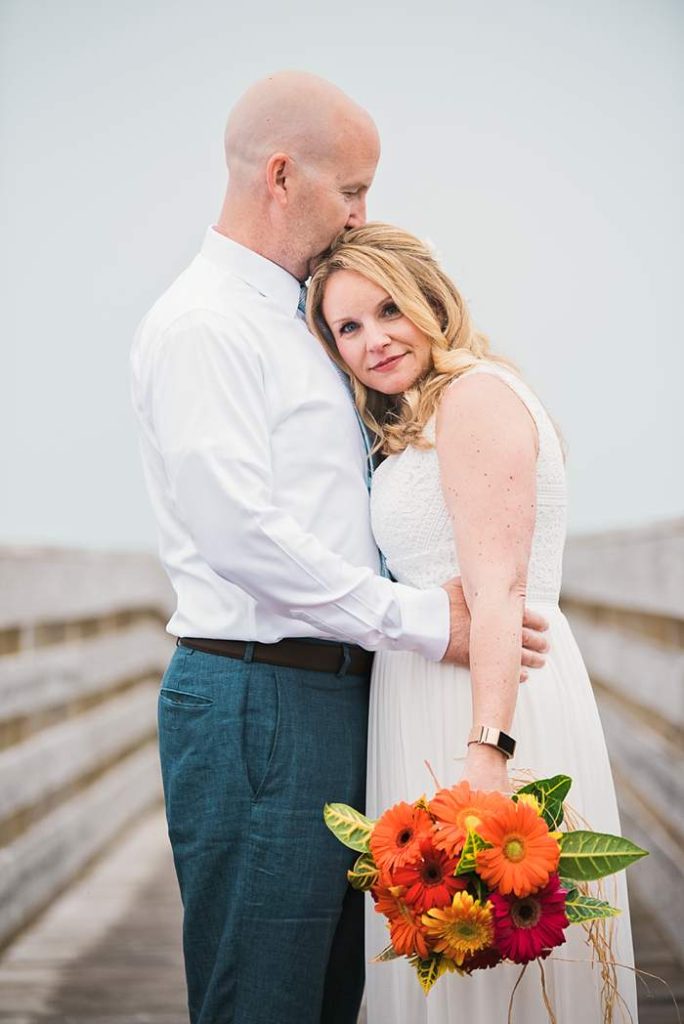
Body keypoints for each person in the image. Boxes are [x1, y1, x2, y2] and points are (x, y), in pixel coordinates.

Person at [130, 72, 548, 1024]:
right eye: (352, 188)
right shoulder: (208, 325)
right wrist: (415, 619)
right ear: (282, 175)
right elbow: (237, 533)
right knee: (262, 999)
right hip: (258, 697)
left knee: (329, 999)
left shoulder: (298, 318)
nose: (365, 211)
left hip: (332, 690)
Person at [308, 222, 638, 1023]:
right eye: (347, 327)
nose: (374, 339)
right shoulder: (411, 421)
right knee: (443, 965)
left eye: (390, 309)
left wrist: (487, 759)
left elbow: (499, 590)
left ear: (431, 299)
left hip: (489, 706)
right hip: (424, 695)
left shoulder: (475, 396)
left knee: (499, 970)